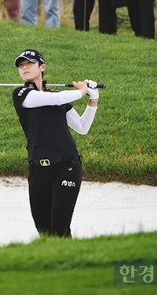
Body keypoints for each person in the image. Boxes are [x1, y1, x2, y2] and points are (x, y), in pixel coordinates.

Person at [11, 49, 99, 237]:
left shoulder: (58, 97)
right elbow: (54, 98)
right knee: (44, 230)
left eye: (29, 63)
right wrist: (82, 90)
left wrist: (93, 99)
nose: (24, 67)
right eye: (21, 65)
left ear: (42, 67)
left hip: (66, 166)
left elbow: (82, 127)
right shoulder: (21, 94)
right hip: (38, 170)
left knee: (60, 228)